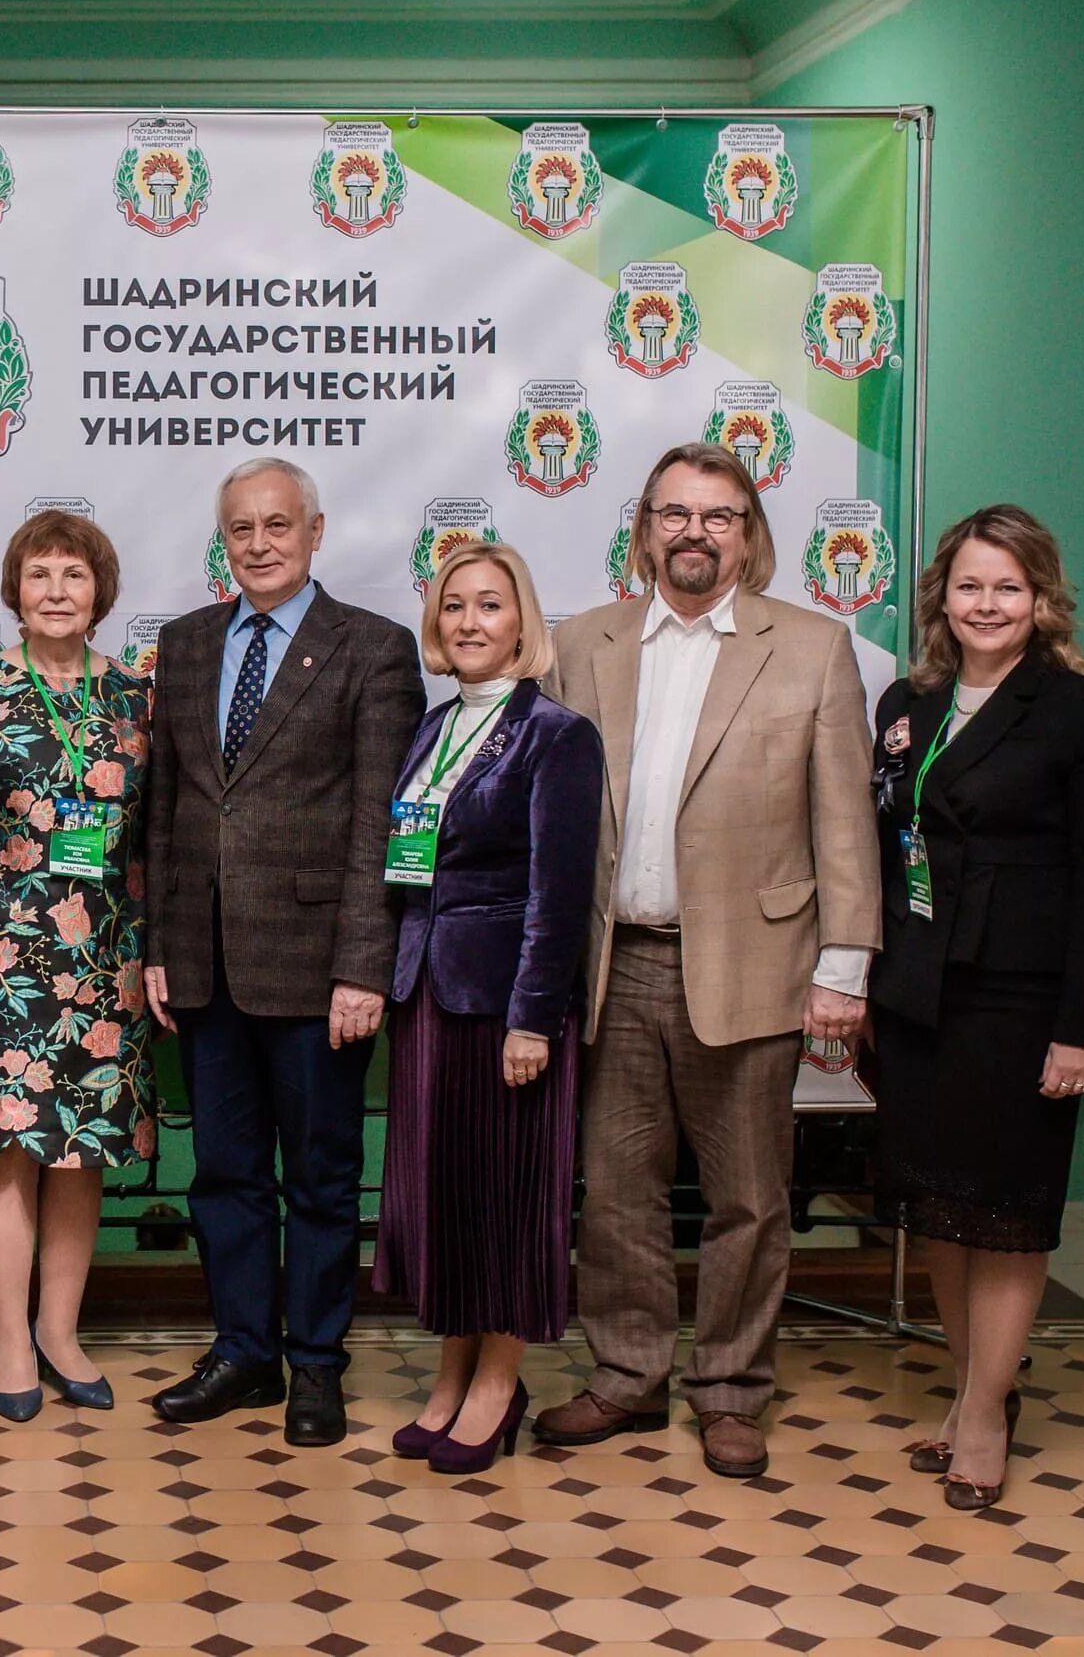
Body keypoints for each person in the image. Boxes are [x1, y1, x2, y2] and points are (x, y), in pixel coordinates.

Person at [534, 441, 880, 1479]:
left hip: (754, 968)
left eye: (717, 516)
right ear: (642, 531)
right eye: (674, 514)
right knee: (618, 1190)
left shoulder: (815, 648)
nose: (693, 532)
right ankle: (627, 1376)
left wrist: (843, 970)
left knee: (748, 1200)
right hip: (613, 965)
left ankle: (730, 1390)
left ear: (749, 534)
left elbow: (846, 828)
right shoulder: (579, 643)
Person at [142, 457, 425, 1447]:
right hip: (205, 964)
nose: (257, 544)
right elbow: (169, 814)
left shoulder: (372, 649)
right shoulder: (182, 646)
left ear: (313, 532)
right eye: (239, 530)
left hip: (316, 970)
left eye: (275, 526)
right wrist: (159, 951)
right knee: (222, 1174)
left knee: (316, 1177)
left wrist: (362, 962)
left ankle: (315, 1365)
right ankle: (243, 1353)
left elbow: (376, 823)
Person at [868, 506, 1084, 1512]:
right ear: (942, 594)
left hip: (1022, 999)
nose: (985, 604)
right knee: (939, 1204)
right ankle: (969, 1383)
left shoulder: (1083, 710)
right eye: (969, 585)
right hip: (918, 992)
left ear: (1041, 601)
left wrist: (1081, 1026)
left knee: (1009, 1214)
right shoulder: (906, 701)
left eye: (1007, 588)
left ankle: (984, 1412)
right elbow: (885, 840)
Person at [0, 510, 158, 1421]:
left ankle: (61, 1328)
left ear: (101, 591)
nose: (57, 591)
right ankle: (12, 1340)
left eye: (75, 575)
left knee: (80, 1152)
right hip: (0, 961)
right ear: (14, 589)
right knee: (13, 1145)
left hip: (105, 962)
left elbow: (153, 839)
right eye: (39, 574)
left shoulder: (136, 696)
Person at [374, 541, 600, 1474]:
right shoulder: (432, 727)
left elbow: (559, 891)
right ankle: (451, 1371)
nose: (471, 621)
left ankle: (499, 1384)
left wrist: (532, 1017)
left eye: (491, 606)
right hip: (429, 997)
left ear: (523, 622)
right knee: (449, 1194)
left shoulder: (557, 734)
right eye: (455, 605)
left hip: (508, 1006)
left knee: (508, 1194)